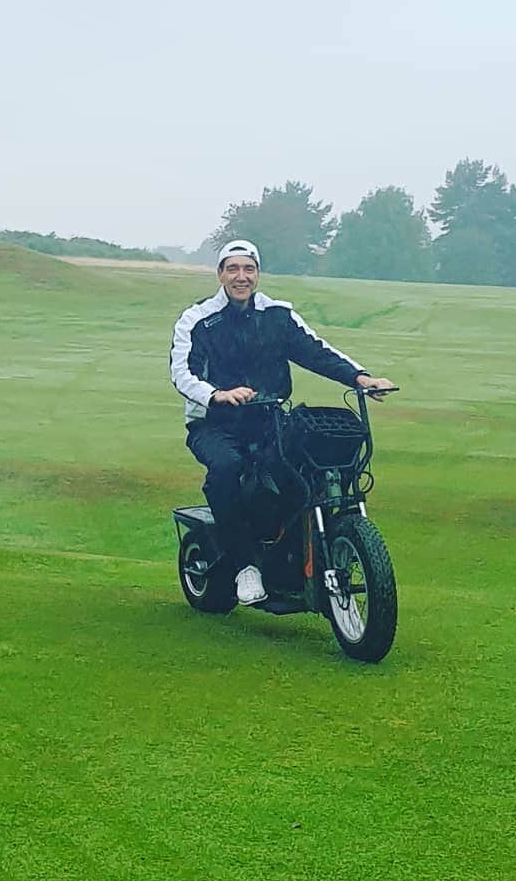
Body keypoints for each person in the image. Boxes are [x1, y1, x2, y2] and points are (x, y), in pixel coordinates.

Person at [169, 239, 396, 606]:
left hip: (269, 419)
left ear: (258, 273)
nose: (241, 277)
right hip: (215, 424)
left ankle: (289, 554)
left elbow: (316, 351)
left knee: (301, 469)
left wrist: (361, 378)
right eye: (233, 269)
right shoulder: (197, 320)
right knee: (227, 469)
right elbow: (181, 372)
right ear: (220, 274)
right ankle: (245, 566)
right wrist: (216, 394)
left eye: (249, 269)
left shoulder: (278, 314)